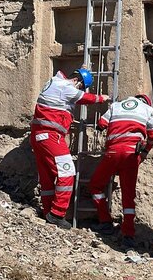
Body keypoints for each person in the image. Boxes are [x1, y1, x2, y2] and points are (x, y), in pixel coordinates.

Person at [31, 68, 109, 230]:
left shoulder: (53, 82)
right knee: (67, 173)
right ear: (78, 82)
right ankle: (57, 213)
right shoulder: (65, 86)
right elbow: (83, 98)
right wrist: (101, 98)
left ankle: (47, 212)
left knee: (46, 177)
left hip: (39, 136)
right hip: (51, 137)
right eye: (81, 86)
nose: (79, 89)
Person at [89, 94, 153, 247]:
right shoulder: (147, 109)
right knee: (128, 196)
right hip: (131, 155)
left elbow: (101, 123)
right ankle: (128, 235)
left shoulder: (116, 106)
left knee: (95, 185)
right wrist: (145, 152)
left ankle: (105, 221)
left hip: (112, 153)